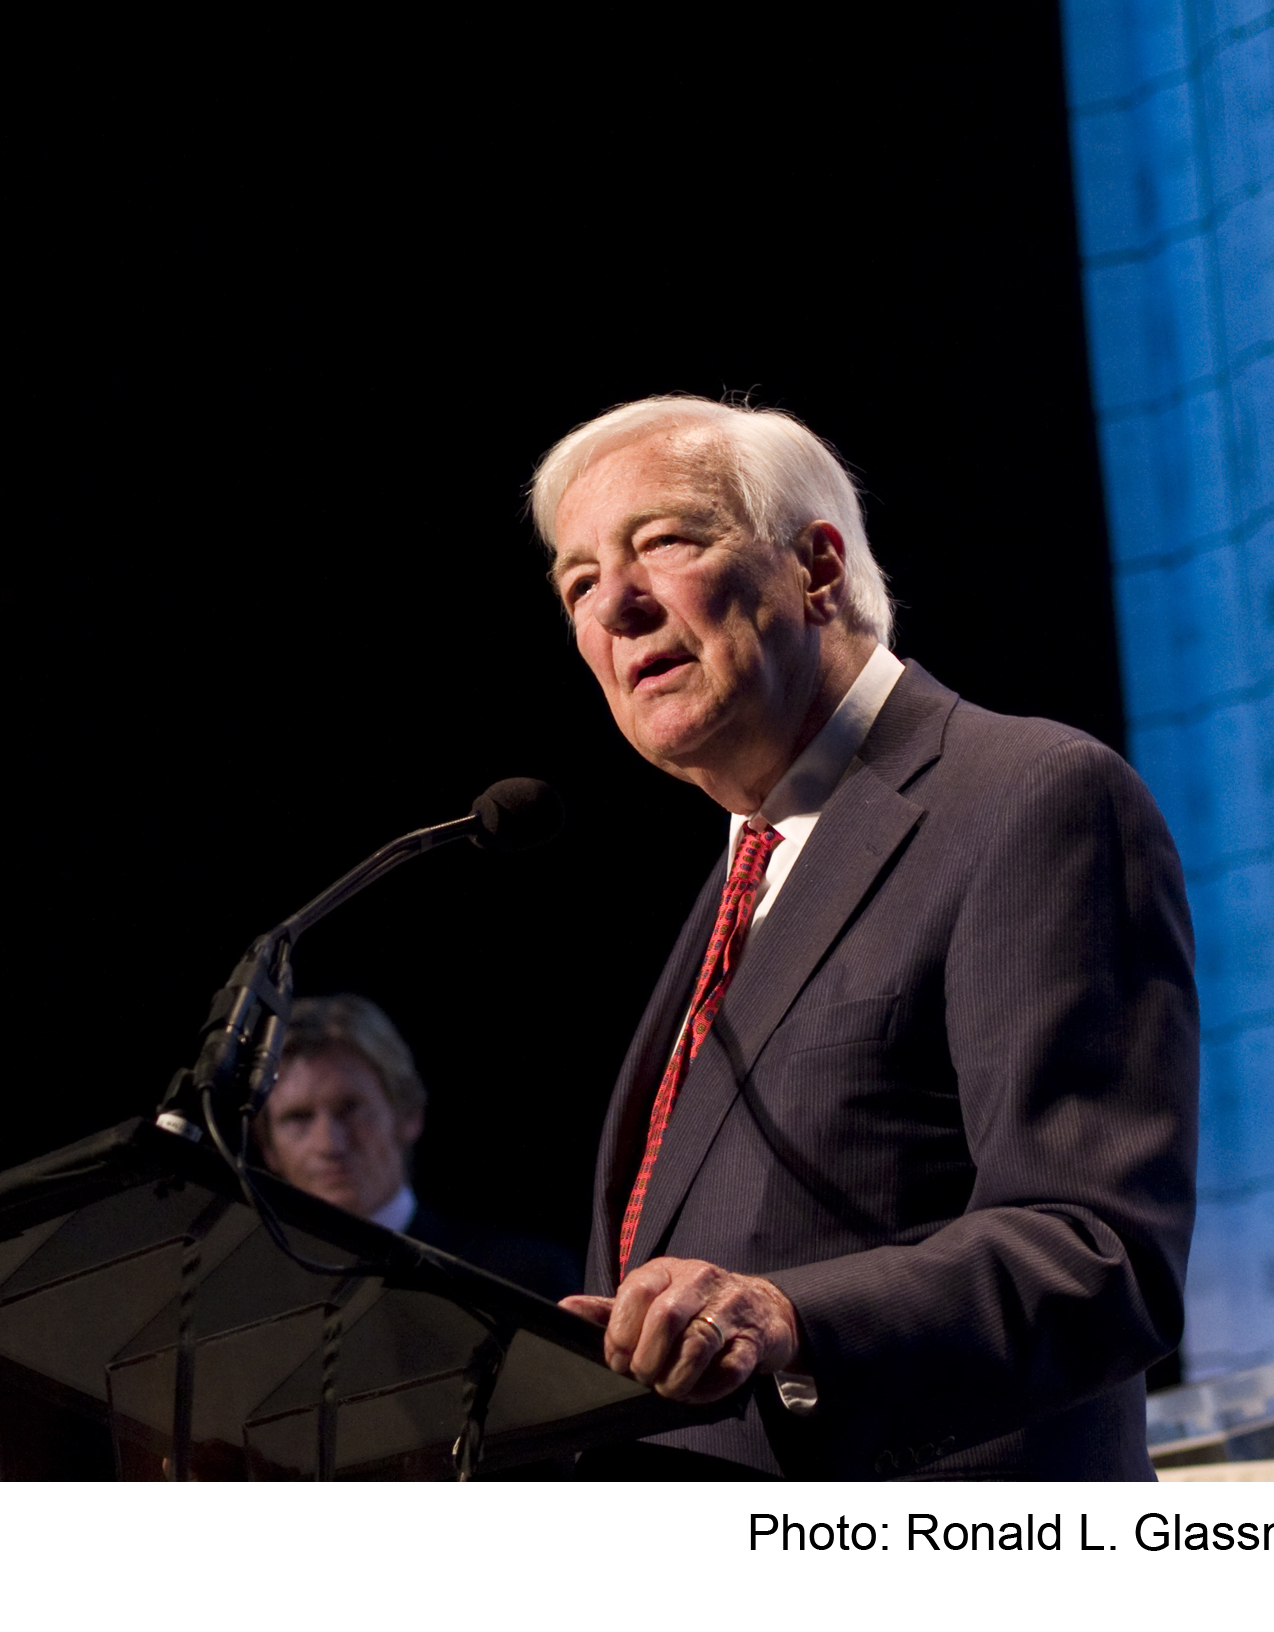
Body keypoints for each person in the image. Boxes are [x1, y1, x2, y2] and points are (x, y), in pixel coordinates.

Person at [537, 395, 1198, 1479]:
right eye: (577, 583)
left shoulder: (1029, 797)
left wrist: (787, 1316)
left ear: (817, 568)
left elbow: (1098, 1254)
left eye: (663, 542)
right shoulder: (748, 874)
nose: (614, 603)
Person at [257, 994, 580, 1302]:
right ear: (268, 1149)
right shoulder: (246, 1292)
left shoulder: (521, 1278)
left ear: (408, 1115)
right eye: (298, 1118)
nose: (329, 1144)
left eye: (350, 1109)